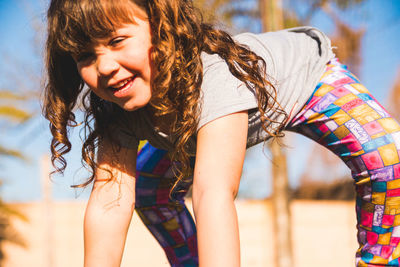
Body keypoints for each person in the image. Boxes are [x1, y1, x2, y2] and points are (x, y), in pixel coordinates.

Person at [42, 0, 400, 266]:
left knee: (389, 157)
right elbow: (110, 202)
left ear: (161, 28)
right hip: (194, 122)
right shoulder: (115, 107)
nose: (103, 67)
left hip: (307, 81)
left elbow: (213, 192)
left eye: (117, 41)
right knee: (151, 190)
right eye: (85, 56)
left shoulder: (213, 74)